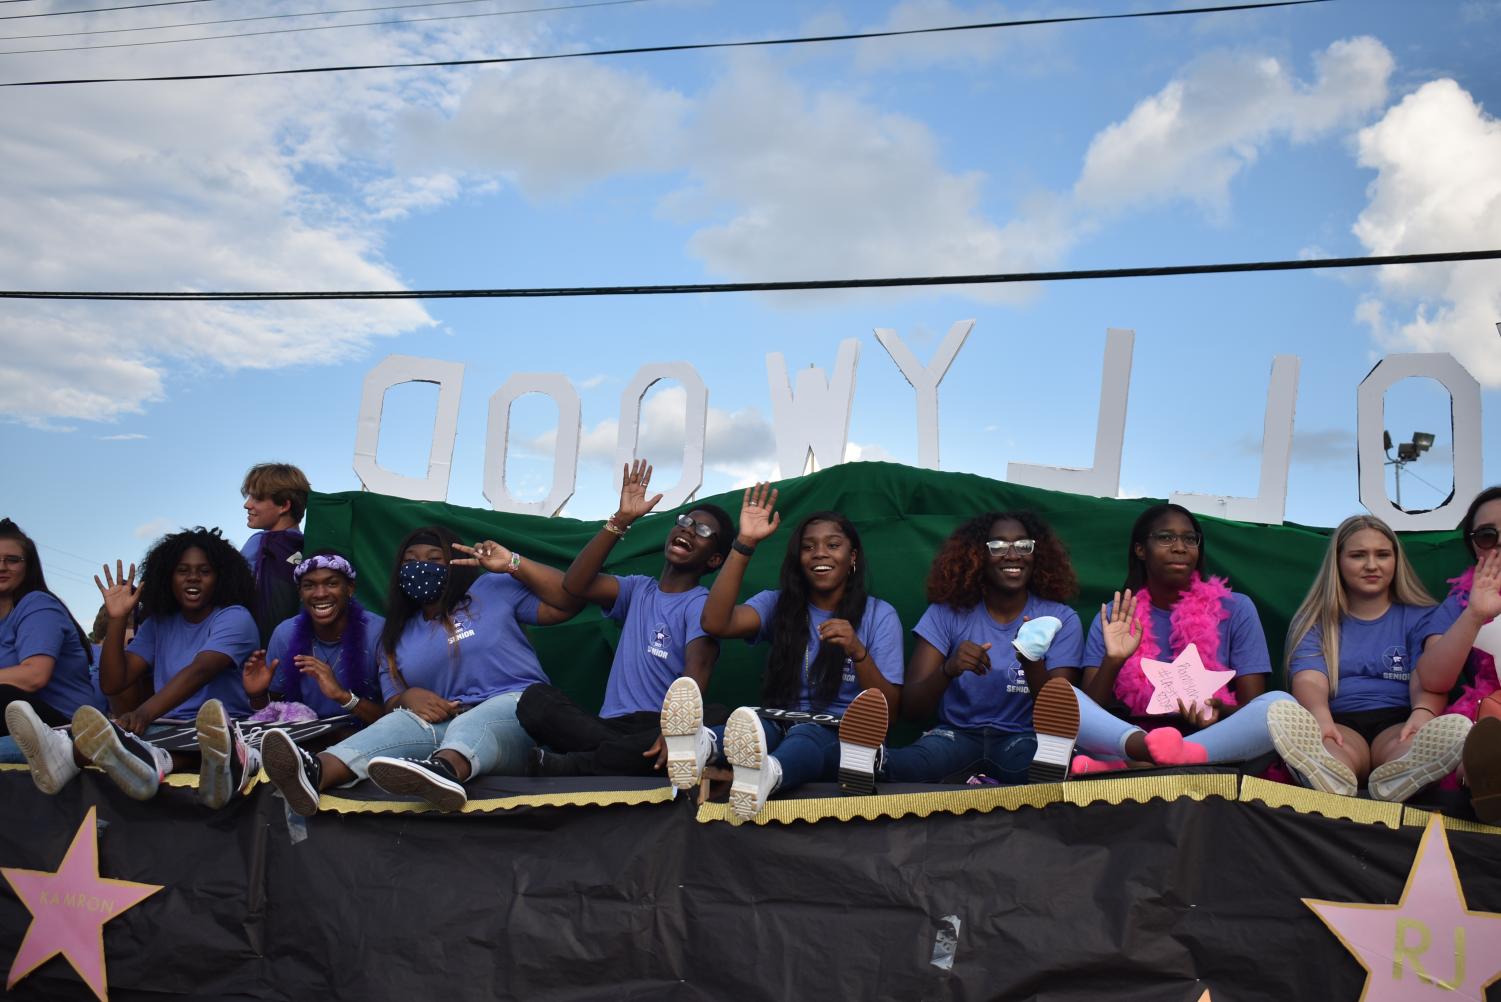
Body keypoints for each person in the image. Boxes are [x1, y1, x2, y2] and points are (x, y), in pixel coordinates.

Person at [260, 526, 580, 815]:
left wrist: (513, 563)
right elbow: (390, 705)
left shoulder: (492, 591)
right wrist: (407, 697)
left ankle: (444, 772)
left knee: (472, 722)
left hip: (520, 712)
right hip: (446, 726)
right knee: (403, 723)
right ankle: (316, 771)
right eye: (410, 560)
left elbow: (568, 600)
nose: (420, 567)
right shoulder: (396, 635)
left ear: (454, 562)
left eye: (433, 558)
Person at [673, 483, 904, 820]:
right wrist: (745, 543)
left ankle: (770, 775)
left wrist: (858, 652)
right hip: (782, 721)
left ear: (852, 557)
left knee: (808, 735)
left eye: (833, 545)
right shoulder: (777, 603)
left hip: (842, 736)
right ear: (799, 559)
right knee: (754, 726)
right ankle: (702, 745)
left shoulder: (879, 615)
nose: (820, 553)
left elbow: (891, 712)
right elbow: (715, 622)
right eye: (808, 547)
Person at [1030, 503, 1295, 778]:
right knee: (1064, 697)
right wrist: (1114, 660)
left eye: (1189, 539)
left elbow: (1251, 705)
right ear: (1140, 549)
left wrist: (1219, 710)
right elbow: (1093, 707)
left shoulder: (1236, 608)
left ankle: (1153, 762)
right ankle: (1145, 752)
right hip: (1130, 736)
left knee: (1281, 705)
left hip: (1215, 741)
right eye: (1166, 537)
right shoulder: (1115, 616)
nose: (1180, 547)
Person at [8, 527, 262, 809]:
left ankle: (89, 759)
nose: (193, 577)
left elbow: (200, 670)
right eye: (182, 570)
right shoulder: (158, 624)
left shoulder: (235, 617)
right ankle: (144, 762)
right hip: (166, 727)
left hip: (223, 726)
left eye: (205, 571)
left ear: (221, 578)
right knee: (111, 737)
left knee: (160, 740)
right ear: (167, 577)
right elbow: (114, 683)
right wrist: (118, 619)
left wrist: (143, 713)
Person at [514, 460, 732, 779]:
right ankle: (624, 757)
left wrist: (678, 731)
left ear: (714, 558)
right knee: (533, 701)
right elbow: (574, 584)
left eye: (702, 530)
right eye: (685, 521)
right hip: (609, 726)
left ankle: (577, 765)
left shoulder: (702, 605)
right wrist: (621, 520)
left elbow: (698, 670)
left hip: (660, 724)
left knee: (718, 718)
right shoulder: (637, 589)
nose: (688, 529)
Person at [866, 511, 1083, 786]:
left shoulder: (1059, 619)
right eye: (998, 546)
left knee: (1041, 767)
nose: (1013, 554)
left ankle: (1054, 772)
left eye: (1023, 545)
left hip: (1022, 739)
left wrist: (1031, 659)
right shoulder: (946, 613)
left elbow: (1059, 716)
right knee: (911, 763)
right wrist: (948, 669)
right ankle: (870, 760)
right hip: (956, 735)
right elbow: (912, 709)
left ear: (1036, 554)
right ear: (977, 555)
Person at [1269, 515, 1473, 801]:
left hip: (1400, 719)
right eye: (1357, 555)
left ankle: (1407, 772)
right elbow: (1310, 679)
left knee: (1404, 748)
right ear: (1338, 561)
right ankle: (1326, 771)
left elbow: (1426, 677)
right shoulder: (1315, 620)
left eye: (1382, 555)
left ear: (1396, 560)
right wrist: (1320, 717)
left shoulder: (1422, 615)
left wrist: (1423, 713)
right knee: (1338, 751)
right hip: (1338, 719)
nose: (1372, 565)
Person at [1, 519, 106, 764]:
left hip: (66, 725)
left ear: (28, 566)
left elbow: (34, 676)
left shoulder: (37, 604)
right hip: (17, 725)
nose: (2, 566)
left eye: (12, 559)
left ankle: (75, 751)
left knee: (4, 695)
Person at [243, 551, 386, 727]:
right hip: (306, 740)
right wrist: (257, 696)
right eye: (309, 586)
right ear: (300, 594)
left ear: (350, 588)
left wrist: (343, 696)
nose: (320, 594)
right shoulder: (285, 634)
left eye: (332, 583)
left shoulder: (378, 632)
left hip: (364, 739)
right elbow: (276, 712)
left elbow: (396, 720)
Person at [240, 462, 311, 645]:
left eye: (257, 498)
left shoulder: (261, 542)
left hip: (256, 650)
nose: (247, 505)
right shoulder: (310, 547)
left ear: (284, 506)